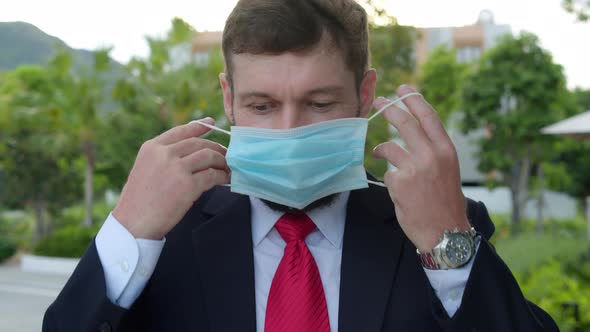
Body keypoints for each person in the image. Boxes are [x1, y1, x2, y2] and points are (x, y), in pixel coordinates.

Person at [43, 0, 558, 331]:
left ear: (364, 95)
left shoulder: (438, 228)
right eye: (262, 106)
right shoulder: (162, 234)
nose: (288, 130)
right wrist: (125, 229)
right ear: (228, 96)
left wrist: (448, 241)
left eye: (319, 104)